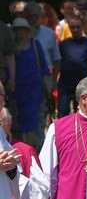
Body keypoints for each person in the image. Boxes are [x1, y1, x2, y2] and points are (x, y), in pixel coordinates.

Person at [9, 17, 51, 147]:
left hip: (34, 94)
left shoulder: (35, 45)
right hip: (16, 94)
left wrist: (49, 90)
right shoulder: (10, 49)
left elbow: (44, 69)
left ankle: (38, 158)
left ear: (27, 31)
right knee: (17, 129)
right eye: (17, 30)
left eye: (22, 30)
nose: (20, 33)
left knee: (35, 128)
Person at [56, 13, 87, 117]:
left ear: (82, 27)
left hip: (82, 83)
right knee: (62, 112)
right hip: (65, 83)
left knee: (82, 113)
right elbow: (57, 63)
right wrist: (55, 80)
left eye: (77, 27)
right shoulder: (63, 44)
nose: (75, 29)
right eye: (72, 27)